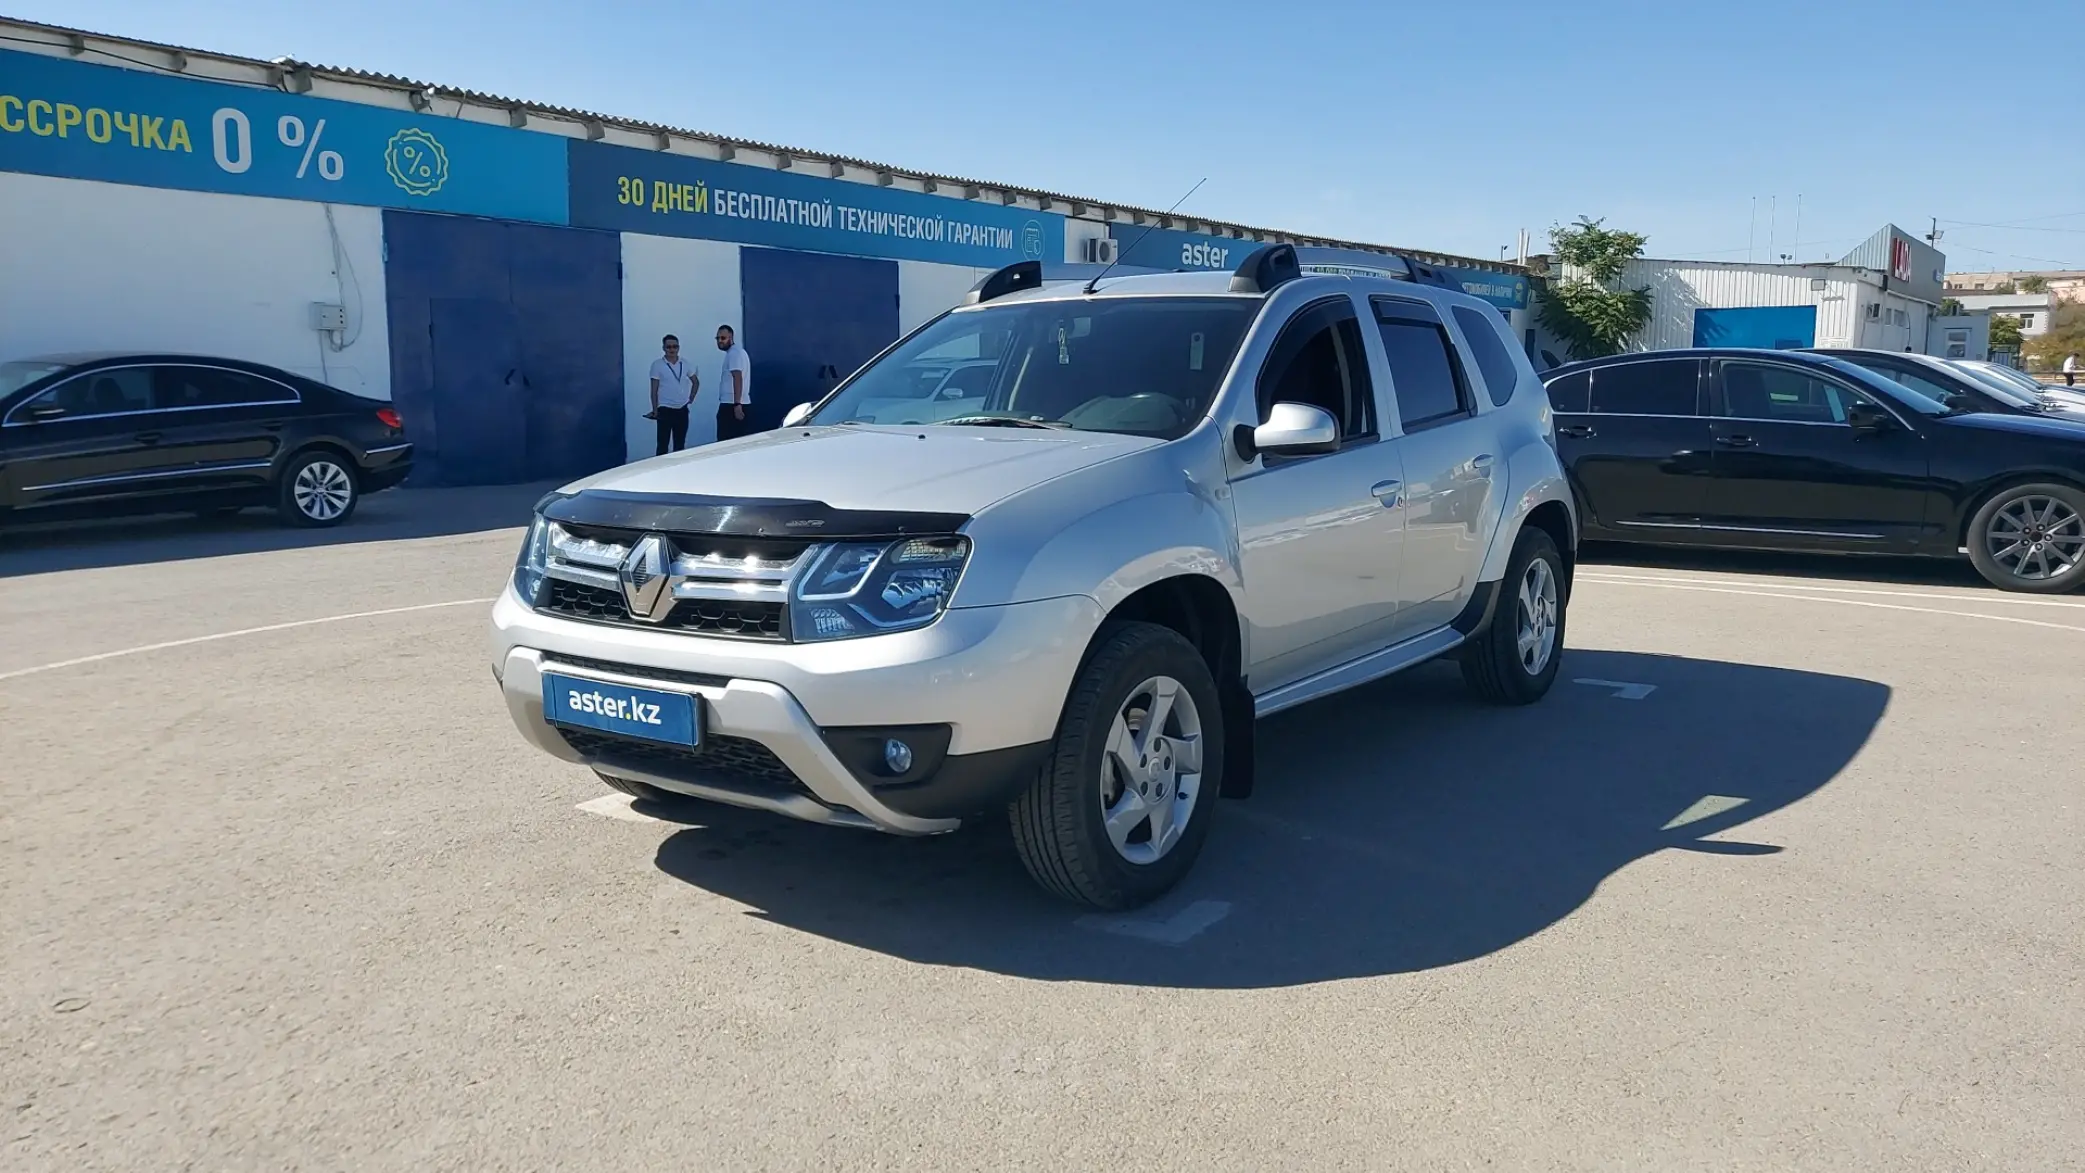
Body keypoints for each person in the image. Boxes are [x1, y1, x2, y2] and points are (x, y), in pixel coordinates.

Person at [647, 334, 696, 455]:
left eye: (675, 346)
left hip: (682, 410)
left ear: (678, 348)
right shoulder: (657, 365)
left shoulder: (685, 363)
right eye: (669, 347)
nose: (672, 350)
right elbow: (654, 390)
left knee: (680, 445)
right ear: (664, 348)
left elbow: (696, 382)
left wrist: (691, 398)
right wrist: (655, 409)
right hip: (665, 410)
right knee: (663, 445)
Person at [714, 324, 753, 441]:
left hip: (731, 405)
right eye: (718, 338)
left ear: (731, 338)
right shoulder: (739, 352)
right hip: (738, 404)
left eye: (723, 338)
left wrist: (737, 404)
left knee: (726, 442)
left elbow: (737, 377)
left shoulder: (734, 354)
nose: (720, 341)